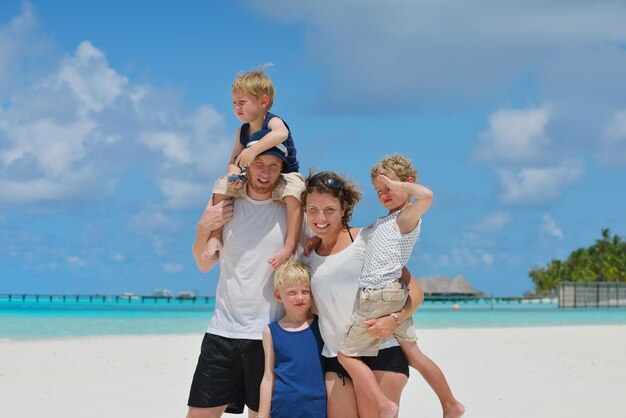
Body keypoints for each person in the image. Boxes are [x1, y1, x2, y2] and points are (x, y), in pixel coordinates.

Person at [336, 154, 464, 418]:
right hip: (392, 294)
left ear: (408, 183)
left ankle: (383, 404)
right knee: (414, 355)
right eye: (379, 190)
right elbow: (356, 234)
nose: (384, 194)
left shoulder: (405, 218)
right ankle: (450, 403)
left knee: (346, 356)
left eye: (390, 188)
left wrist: (403, 189)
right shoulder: (384, 222)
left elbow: (426, 196)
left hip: (379, 295)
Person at [187, 149, 303, 418]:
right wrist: (203, 228)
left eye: (274, 165)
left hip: (270, 335)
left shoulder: (289, 209)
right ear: (246, 167)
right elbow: (204, 264)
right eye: (259, 164)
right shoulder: (228, 205)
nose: (265, 172)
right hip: (222, 331)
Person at [300, 171, 423, 418]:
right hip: (337, 356)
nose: (320, 218)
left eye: (329, 210)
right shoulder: (307, 256)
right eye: (312, 210)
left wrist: (395, 320)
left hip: (381, 352)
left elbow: (416, 292)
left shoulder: (367, 239)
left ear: (344, 207)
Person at [203, 65, 304, 269]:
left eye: (242, 102)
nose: (236, 108)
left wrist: (253, 150)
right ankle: (215, 235)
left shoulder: (272, 121)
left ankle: (289, 244)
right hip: (252, 175)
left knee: (295, 193)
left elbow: (281, 135)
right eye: (234, 103)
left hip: (286, 173)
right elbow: (233, 160)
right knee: (222, 185)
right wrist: (233, 174)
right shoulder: (242, 131)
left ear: (263, 101)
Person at [257, 258, 326, 418]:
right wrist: (262, 414)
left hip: (318, 408)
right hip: (283, 408)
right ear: (278, 296)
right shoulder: (271, 331)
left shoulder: (321, 325)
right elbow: (268, 376)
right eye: (292, 293)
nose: (300, 298)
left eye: (305, 291)